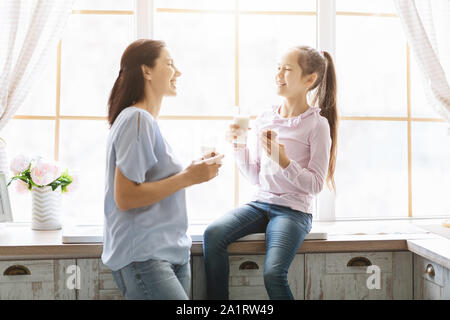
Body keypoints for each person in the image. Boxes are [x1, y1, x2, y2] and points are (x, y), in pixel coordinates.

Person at [203, 45, 338, 300]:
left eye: (287, 69)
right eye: (278, 68)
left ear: (310, 79)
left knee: (273, 273)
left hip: (294, 211)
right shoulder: (266, 117)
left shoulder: (317, 125)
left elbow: (316, 185)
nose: (278, 75)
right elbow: (255, 175)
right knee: (213, 234)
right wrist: (239, 145)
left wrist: (284, 161)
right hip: (260, 203)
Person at [102, 39, 223, 300]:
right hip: (145, 256)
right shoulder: (137, 119)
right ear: (146, 71)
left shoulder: (144, 122)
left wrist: (193, 173)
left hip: (167, 253)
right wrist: (189, 177)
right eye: (169, 64)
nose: (177, 72)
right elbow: (125, 197)